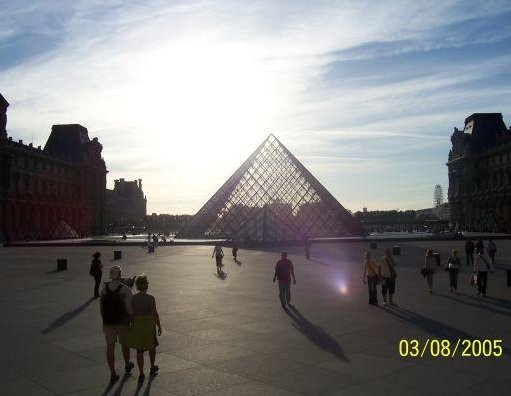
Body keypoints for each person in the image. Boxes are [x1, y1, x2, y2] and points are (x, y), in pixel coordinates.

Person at [100, 265, 134, 383]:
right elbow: (129, 309)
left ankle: (113, 373)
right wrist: (132, 320)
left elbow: (101, 309)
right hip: (122, 322)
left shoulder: (104, 290)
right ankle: (127, 364)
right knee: (125, 344)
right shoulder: (126, 290)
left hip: (108, 322)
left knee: (110, 347)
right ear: (120, 275)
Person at [128, 274, 162, 383]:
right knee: (152, 347)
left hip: (138, 326)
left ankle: (141, 373)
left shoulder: (133, 298)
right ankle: (152, 366)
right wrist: (159, 325)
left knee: (140, 350)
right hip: (149, 326)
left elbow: (131, 314)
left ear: (137, 286)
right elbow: (154, 313)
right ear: (146, 286)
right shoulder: (150, 298)